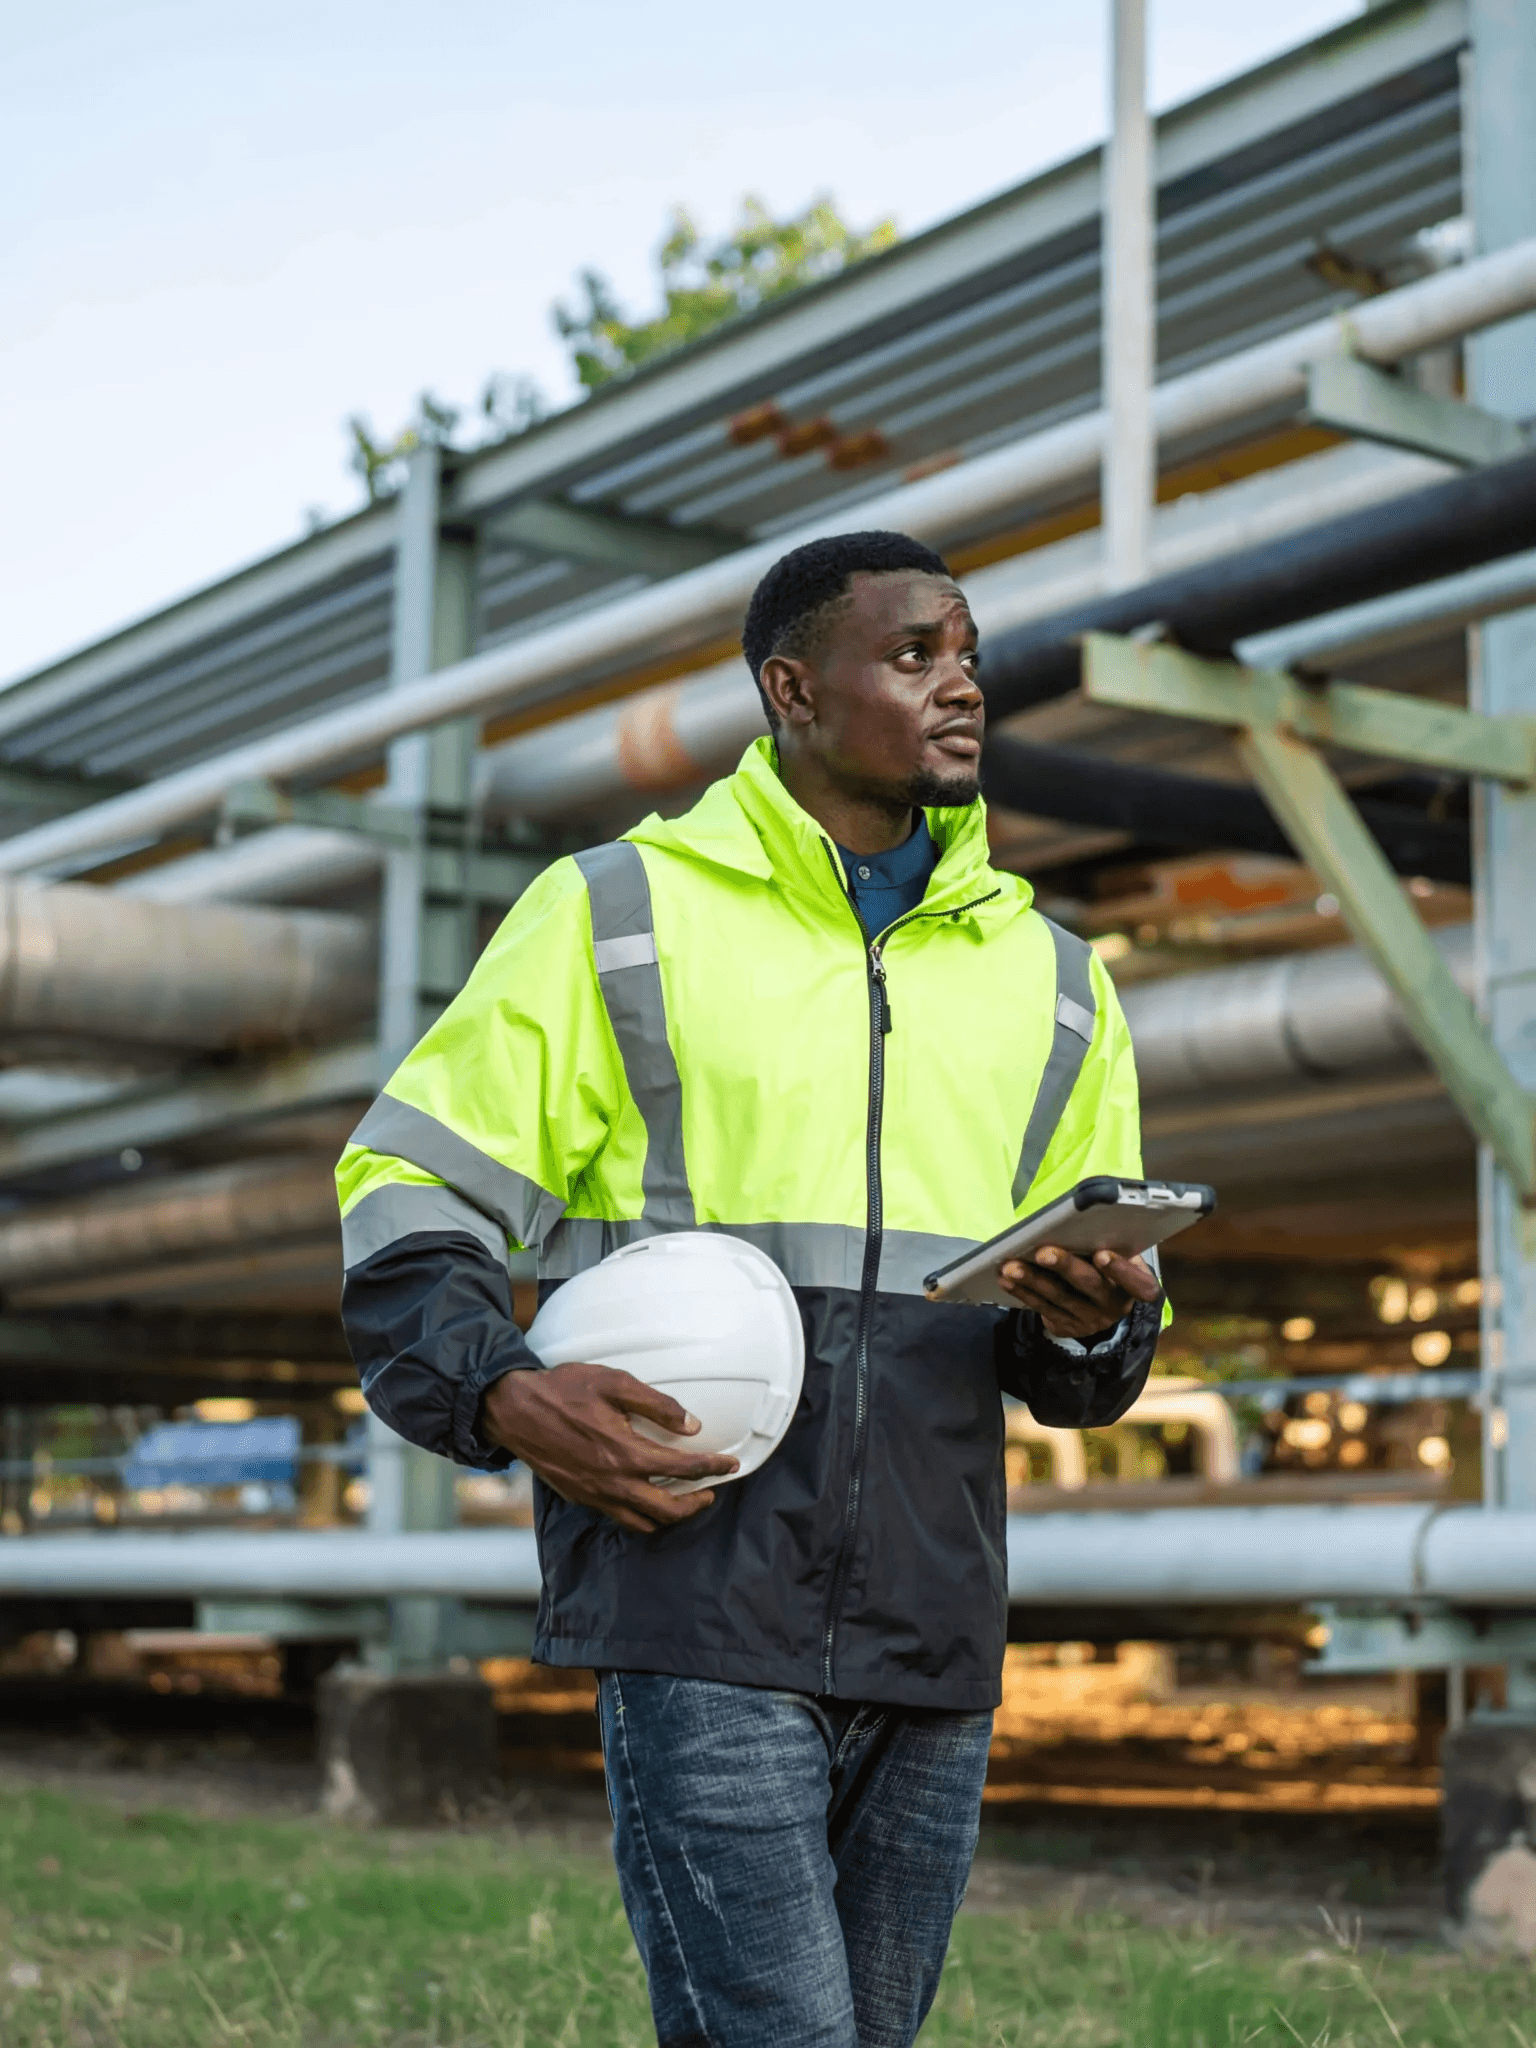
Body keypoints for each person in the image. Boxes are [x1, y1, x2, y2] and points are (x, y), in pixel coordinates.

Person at [337, 529, 1165, 2048]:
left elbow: (1081, 1348)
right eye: (912, 654)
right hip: (690, 1585)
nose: (962, 685)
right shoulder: (615, 911)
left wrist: (1101, 1320)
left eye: (968, 654)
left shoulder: (1056, 980)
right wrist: (499, 1388)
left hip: (933, 1618)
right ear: (792, 689)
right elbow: (410, 1183)